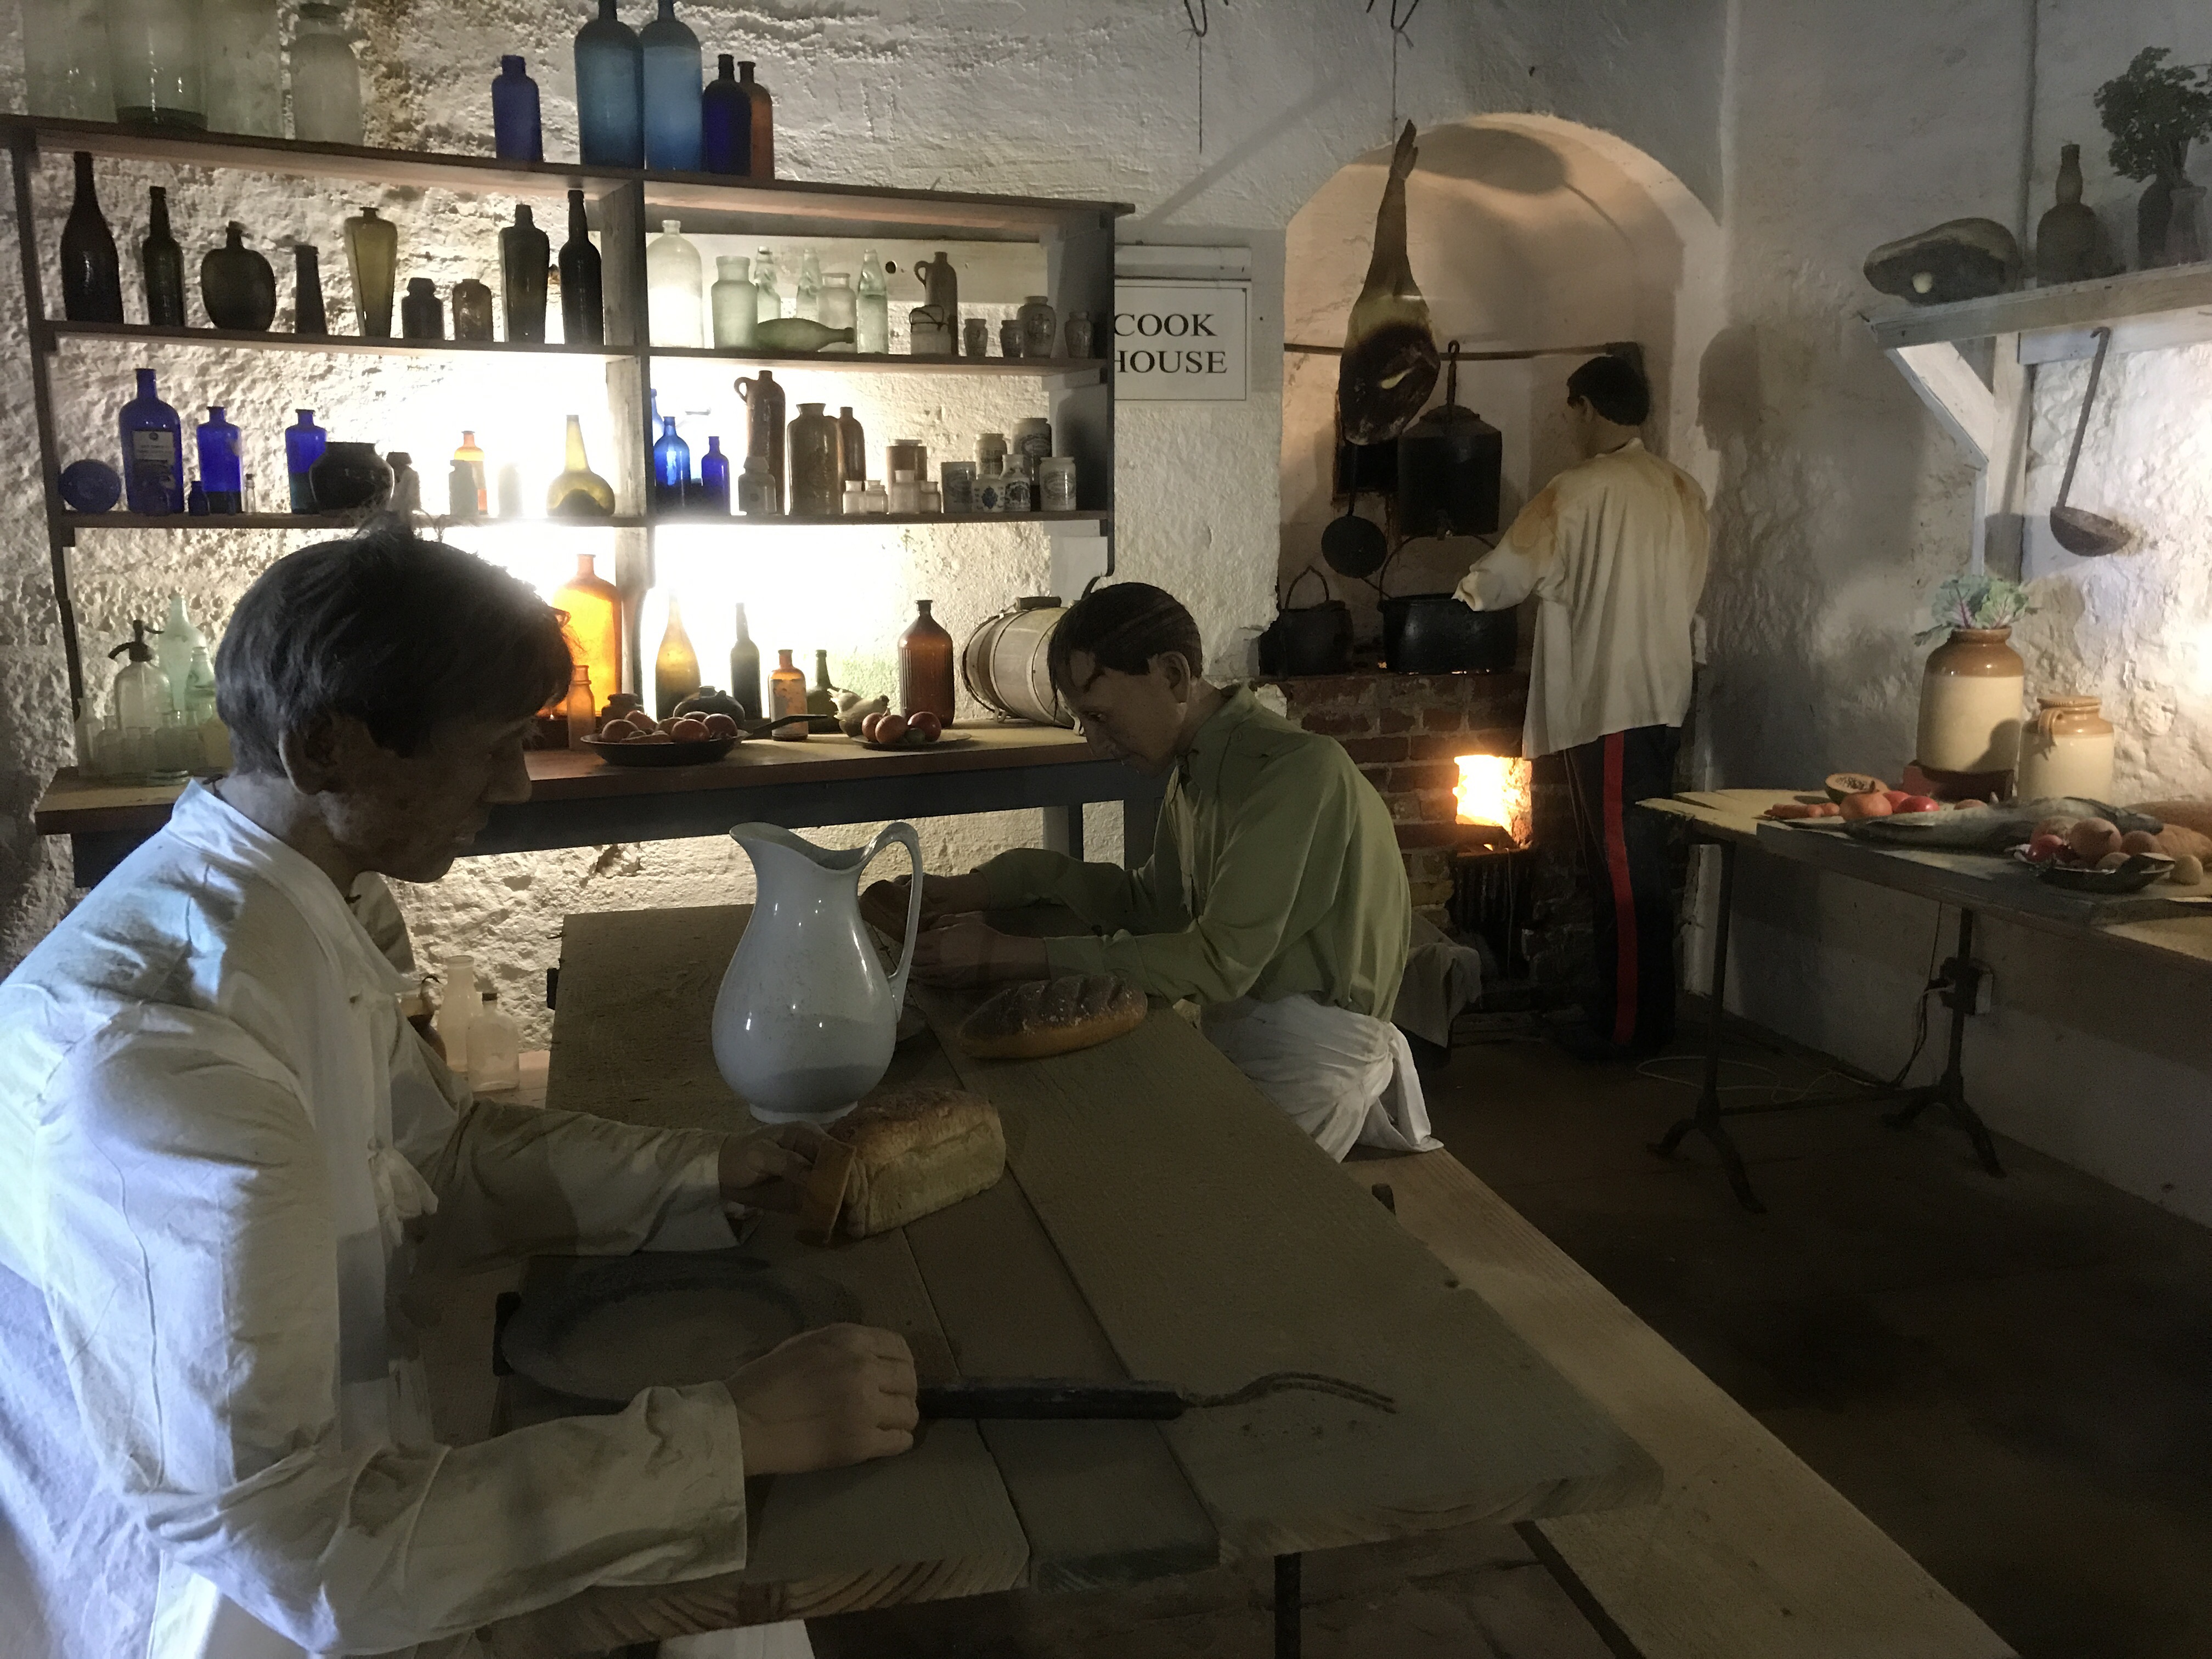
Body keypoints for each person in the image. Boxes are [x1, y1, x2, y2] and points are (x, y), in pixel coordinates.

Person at [0, 522, 919, 1659]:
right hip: (218, 1616)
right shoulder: (165, 1058)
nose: (518, 784)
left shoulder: (298, 903)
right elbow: (295, 1543)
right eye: (490, 746)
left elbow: (437, 1151)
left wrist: (711, 1174)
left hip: (366, 1503)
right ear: (326, 748)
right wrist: (730, 1434)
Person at [909, 582, 1436, 1160]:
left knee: (1155, 1190)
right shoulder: (1196, 769)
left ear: (1174, 676)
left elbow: (1218, 962)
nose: (1095, 744)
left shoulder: (1296, 772)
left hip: (1306, 1064)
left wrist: (1010, 955)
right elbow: (1149, 907)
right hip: (1239, 1032)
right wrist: (988, 885)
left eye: (1100, 716)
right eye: (1085, 721)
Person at [1453, 353, 1710, 1057]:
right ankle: (1635, 1014)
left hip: (1611, 699)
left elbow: (1508, 573)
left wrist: (1463, 594)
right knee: (1636, 861)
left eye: (1572, 414)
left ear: (1588, 408)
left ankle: (1629, 1029)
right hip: (1661, 694)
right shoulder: (1681, 488)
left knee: (1623, 870)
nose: (1572, 427)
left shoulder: (1579, 488)